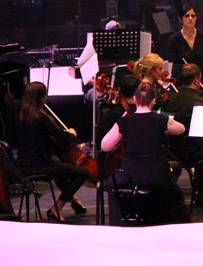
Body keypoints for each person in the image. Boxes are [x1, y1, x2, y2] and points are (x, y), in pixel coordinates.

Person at [101, 82, 190, 226]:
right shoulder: (161, 120)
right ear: (153, 101)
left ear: (135, 99)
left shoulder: (124, 121)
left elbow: (105, 146)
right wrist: (164, 126)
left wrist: (119, 122)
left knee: (112, 184)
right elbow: (181, 129)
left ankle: (120, 225)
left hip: (129, 177)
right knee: (177, 195)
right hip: (156, 177)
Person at [14, 82, 90, 222]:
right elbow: (63, 138)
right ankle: (57, 207)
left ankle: (73, 200)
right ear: (41, 98)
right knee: (83, 172)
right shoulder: (42, 118)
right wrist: (71, 133)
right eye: (45, 95)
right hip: (40, 165)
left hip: (21, 166)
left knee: (60, 170)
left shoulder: (20, 117)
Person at [162, 63, 203, 205]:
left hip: (173, 151)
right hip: (196, 152)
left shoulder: (170, 101)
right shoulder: (202, 102)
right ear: (196, 80)